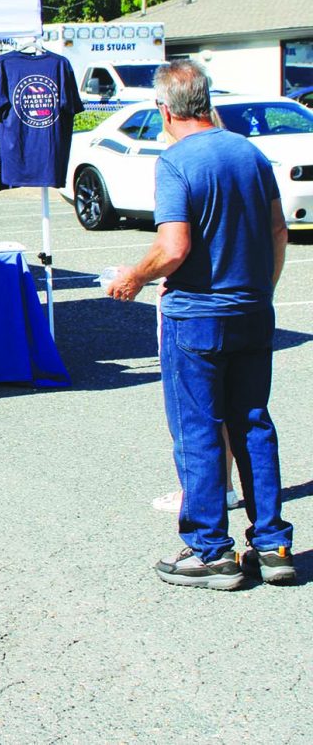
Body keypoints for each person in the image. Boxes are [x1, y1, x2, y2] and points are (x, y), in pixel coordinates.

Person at [108, 60, 294, 589]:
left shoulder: (176, 162)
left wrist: (134, 277)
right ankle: (272, 542)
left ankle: (211, 549)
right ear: (206, 101)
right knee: (253, 422)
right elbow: (278, 232)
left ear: (165, 110)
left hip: (198, 315)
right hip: (253, 309)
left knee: (198, 429)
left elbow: (174, 248)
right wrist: (262, 290)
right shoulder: (250, 153)